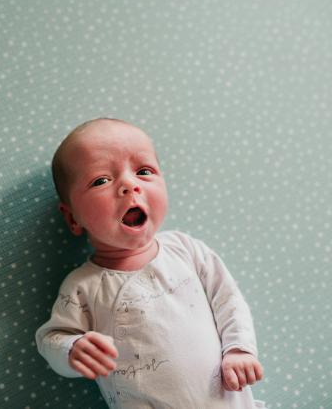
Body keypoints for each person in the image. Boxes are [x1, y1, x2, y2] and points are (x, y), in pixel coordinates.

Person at [35, 118, 266, 408]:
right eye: (101, 180)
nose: (129, 185)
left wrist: (239, 349)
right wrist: (72, 349)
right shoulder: (83, 286)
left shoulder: (187, 250)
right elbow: (50, 338)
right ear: (72, 218)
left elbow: (229, 301)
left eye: (144, 171)